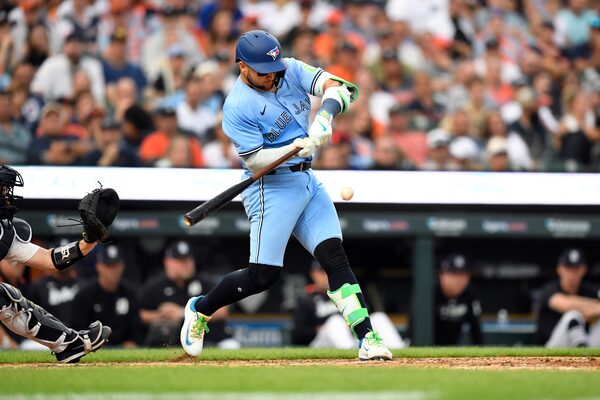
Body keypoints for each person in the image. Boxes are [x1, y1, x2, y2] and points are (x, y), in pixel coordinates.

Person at [180, 30, 392, 360]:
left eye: (273, 68)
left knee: (334, 256)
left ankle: (367, 338)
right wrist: (293, 147)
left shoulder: (289, 69)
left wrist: (325, 116)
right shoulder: (236, 106)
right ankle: (201, 309)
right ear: (242, 67)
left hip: (306, 180)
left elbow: (342, 88)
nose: (271, 76)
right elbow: (255, 160)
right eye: (262, 71)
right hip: (270, 187)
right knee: (262, 276)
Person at [0, 164, 111, 363]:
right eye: (2, 191)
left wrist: (88, 242)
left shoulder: (3, 232)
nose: (6, 197)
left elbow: (49, 260)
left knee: (6, 296)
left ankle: (70, 344)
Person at [140, 240, 237, 348]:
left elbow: (223, 310)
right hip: (172, 344)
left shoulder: (205, 282)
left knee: (232, 346)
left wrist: (182, 313)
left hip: (214, 340)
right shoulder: (155, 286)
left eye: (188, 260)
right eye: (180, 261)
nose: (186, 265)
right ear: (168, 262)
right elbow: (140, 314)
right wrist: (161, 315)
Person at [292, 261, 405, 349]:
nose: (326, 275)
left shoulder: (348, 294)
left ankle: (401, 352)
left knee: (379, 317)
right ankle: (350, 355)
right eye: (322, 271)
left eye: (328, 271)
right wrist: (320, 329)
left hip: (353, 339)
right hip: (322, 344)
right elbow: (298, 334)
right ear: (314, 274)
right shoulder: (307, 300)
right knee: (335, 322)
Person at [72, 244, 142, 347]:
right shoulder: (85, 295)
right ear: (98, 266)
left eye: (116, 266)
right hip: (92, 347)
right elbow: (78, 331)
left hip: (123, 348)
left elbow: (136, 330)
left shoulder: (130, 293)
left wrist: (132, 342)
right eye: (108, 266)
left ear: (122, 266)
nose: (113, 271)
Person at [535, 248, 600, 347]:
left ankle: (583, 353)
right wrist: (595, 307)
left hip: (586, 346)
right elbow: (564, 305)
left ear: (583, 269)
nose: (572, 273)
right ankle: (581, 353)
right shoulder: (550, 288)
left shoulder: (590, 289)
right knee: (572, 315)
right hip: (552, 348)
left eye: (576, 269)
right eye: (568, 268)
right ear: (559, 269)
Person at [430, 254, 482, 346]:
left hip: (452, 346)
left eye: (463, 274)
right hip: (427, 347)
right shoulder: (430, 292)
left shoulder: (469, 292)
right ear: (442, 275)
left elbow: (476, 328)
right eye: (454, 274)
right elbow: (416, 327)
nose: (459, 280)